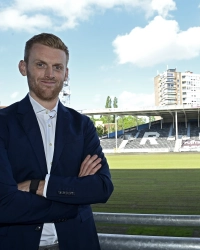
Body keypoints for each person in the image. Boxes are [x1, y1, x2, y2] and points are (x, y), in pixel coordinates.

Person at [0, 33, 114, 250]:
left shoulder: (82, 126)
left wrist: (40, 186)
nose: (50, 74)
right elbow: (4, 203)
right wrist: (75, 199)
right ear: (23, 67)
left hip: (78, 242)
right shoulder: (3, 123)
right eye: (41, 64)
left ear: (66, 73)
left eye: (57, 67)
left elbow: (102, 187)